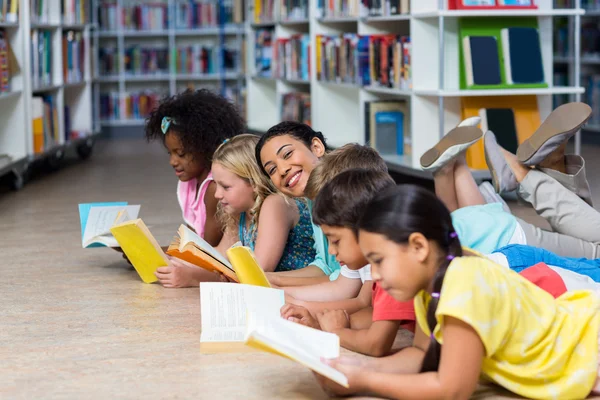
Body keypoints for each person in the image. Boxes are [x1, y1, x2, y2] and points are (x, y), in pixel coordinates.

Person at [314, 184, 600, 399]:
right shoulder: (429, 286)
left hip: (590, 344)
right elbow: (420, 355)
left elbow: (452, 389)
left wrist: (363, 381)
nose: (374, 275)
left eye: (378, 260)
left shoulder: (464, 282)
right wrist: (356, 368)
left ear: (419, 247)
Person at [282, 169, 416, 357]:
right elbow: (375, 315)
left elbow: (375, 345)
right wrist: (318, 324)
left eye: (336, 241)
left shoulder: (396, 267)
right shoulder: (383, 265)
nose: (331, 251)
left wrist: (336, 332)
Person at [144, 89, 245, 287]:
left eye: (181, 153)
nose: (173, 161)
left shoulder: (214, 190)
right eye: (170, 153)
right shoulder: (189, 184)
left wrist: (161, 253)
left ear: (206, 147)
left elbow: (205, 250)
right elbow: (190, 239)